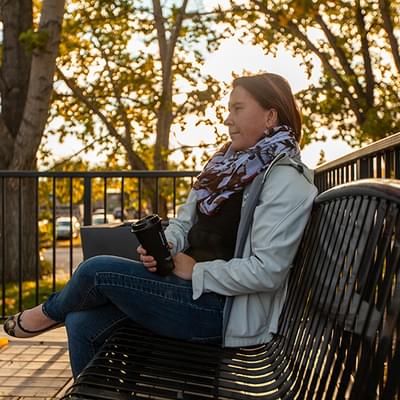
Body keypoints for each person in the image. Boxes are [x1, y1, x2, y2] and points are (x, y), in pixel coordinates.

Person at [4, 73, 318, 379]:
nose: (228, 120)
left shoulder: (284, 179)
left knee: (94, 270)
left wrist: (196, 272)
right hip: (184, 290)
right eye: (228, 110)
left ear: (270, 117)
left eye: (238, 109)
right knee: (81, 322)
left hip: (223, 312)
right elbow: (183, 224)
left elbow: (267, 270)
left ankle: (46, 314)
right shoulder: (223, 165)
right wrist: (166, 244)